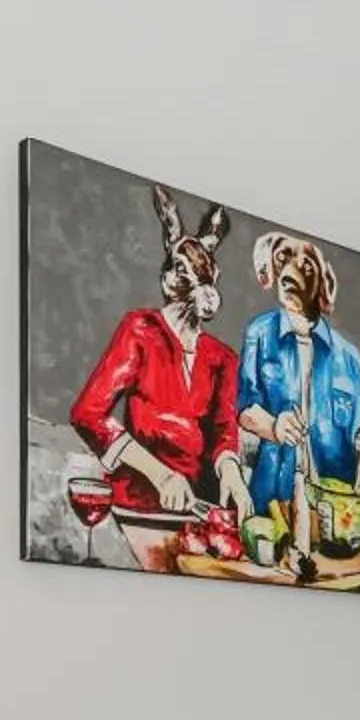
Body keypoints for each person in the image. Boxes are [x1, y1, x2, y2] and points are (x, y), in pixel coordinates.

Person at [69, 188, 248, 517]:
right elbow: (87, 414)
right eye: (182, 272)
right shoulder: (140, 330)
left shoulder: (222, 358)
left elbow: (224, 434)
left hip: (199, 508)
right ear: (167, 280)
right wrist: (160, 474)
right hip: (140, 501)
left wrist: (231, 472)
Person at [237, 231, 360, 525]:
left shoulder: (349, 359)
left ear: (322, 286)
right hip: (273, 500)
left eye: (307, 267)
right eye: (283, 259)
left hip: (334, 510)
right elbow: (244, 409)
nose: (290, 272)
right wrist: (274, 426)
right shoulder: (259, 334)